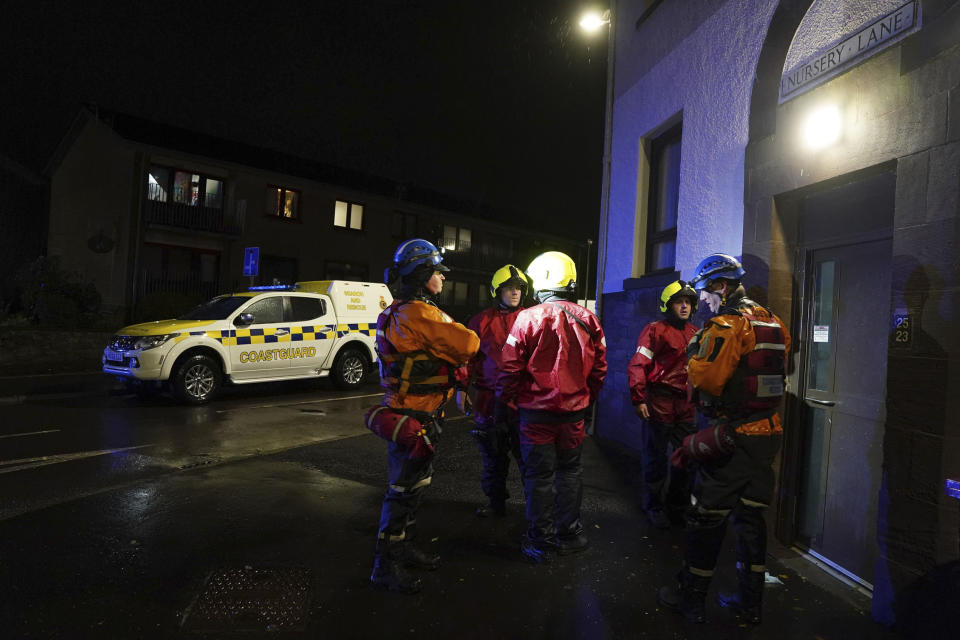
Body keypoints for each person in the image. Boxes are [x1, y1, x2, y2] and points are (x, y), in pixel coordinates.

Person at [658, 253, 790, 624]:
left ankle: (690, 600)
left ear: (721, 286)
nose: (702, 300)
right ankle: (751, 606)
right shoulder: (775, 321)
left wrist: (694, 353)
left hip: (732, 435)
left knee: (707, 517)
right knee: (751, 520)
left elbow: (707, 380)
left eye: (704, 292)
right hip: (768, 434)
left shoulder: (727, 324)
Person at [368, 238, 480, 594]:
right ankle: (384, 566)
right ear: (422, 274)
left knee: (414, 486)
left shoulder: (397, 311)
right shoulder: (420, 313)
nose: (443, 279)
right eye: (437, 272)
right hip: (417, 416)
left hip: (411, 412)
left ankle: (404, 548)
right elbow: (469, 344)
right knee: (402, 490)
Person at [496, 251, 607, 563]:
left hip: (535, 415)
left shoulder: (526, 318)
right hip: (573, 415)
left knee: (539, 476)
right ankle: (570, 533)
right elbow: (599, 369)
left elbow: (509, 369)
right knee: (570, 471)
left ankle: (540, 539)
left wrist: (506, 405)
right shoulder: (589, 319)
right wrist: (586, 401)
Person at [627, 280, 699, 529]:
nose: (684, 306)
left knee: (686, 458)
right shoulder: (654, 330)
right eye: (679, 301)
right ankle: (654, 506)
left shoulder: (694, 333)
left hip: (686, 405)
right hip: (660, 401)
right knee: (655, 458)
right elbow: (638, 364)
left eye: (688, 302)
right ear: (668, 305)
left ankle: (677, 506)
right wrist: (638, 398)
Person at [465, 264, 529, 517]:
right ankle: (495, 503)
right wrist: (462, 387)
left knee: (528, 458)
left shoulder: (532, 318)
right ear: (497, 291)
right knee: (493, 456)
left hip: (522, 401)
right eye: (509, 288)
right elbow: (467, 357)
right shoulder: (481, 321)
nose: (515, 293)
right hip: (489, 400)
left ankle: (534, 509)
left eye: (519, 288)